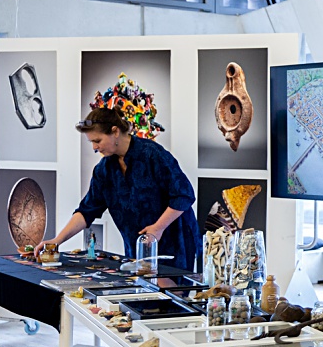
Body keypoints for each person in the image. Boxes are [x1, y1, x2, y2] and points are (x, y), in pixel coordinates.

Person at [35, 107, 202, 271]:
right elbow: (86, 212)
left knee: (170, 295)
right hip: (137, 250)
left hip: (174, 243)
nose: (94, 147)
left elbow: (184, 195)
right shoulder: (104, 170)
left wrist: (157, 228)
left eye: (97, 141)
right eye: (92, 142)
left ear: (115, 131)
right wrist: (56, 241)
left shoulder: (153, 154)